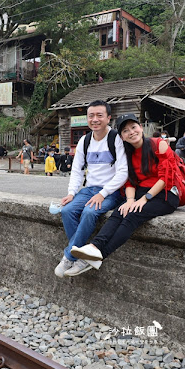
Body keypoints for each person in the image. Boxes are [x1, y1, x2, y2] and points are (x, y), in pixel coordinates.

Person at [68, 113, 181, 271]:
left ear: (141, 128)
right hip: (142, 192)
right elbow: (130, 181)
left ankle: (100, 255)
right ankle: (94, 247)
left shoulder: (159, 144)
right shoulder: (127, 153)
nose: (131, 132)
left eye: (134, 127)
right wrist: (129, 200)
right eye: (126, 131)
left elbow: (166, 177)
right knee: (120, 211)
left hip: (166, 194)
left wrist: (144, 199)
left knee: (133, 214)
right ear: (121, 136)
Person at [55, 100, 128, 277]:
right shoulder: (85, 141)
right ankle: (82, 256)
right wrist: (72, 193)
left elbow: (123, 172)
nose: (95, 119)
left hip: (111, 190)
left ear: (108, 118)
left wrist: (103, 194)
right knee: (67, 210)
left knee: (89, 212)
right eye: (91, 116)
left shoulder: (116, 139)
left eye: (99, 115)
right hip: (89, 189)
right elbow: (77, 169)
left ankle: (69, 256)